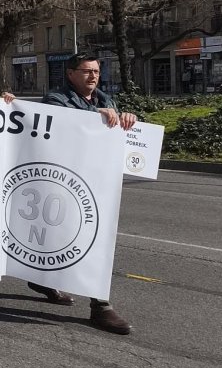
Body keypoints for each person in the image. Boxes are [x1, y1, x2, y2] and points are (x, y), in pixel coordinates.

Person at [10, 53, 135, 335]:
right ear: (70, 74)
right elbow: (65, 126)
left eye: (96, 71)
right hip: (60, 183)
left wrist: (127, 120)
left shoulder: (106, 99)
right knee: (55, 237)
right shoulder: (56, 100)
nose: (93, 76)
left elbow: (113, 136)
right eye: (86, 71)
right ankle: (43, 279)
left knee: (95, 240)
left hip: (95, 183)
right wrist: (95, 118)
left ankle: (100, 305)